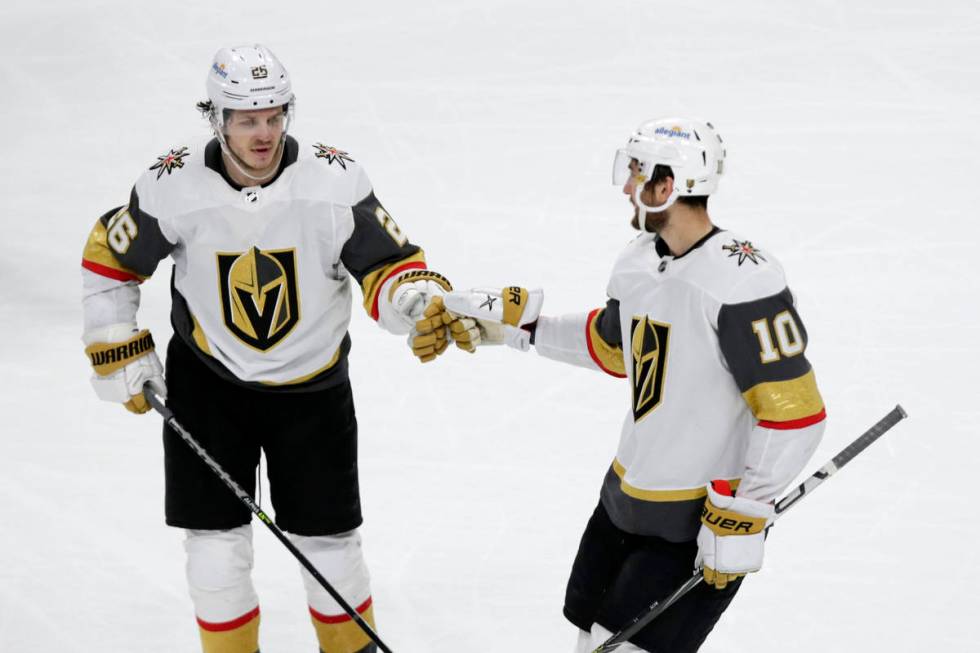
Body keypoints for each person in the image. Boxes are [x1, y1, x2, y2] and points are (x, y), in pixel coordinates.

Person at [80, 44, 468, 653]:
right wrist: (117, 345)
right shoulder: (171, 183)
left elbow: (389, 264)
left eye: (274, 115)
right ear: (217, 119)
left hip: (312, 392)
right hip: (208, 386)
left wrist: (415, 301)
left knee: (332, 547)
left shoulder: (335, 181)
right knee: (214, 550)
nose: (264, 133)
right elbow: (110, 259)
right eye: (245, 119)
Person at [444, 118, 827, 652]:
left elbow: (794, 412)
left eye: (635, 173)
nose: (626, 187)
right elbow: (613, 346)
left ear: (666, 185)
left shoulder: (742, 281)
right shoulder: (638, 263)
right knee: (588, 639)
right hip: (624, 498)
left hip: (694, 522)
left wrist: (745, 511)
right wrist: (519, 329)